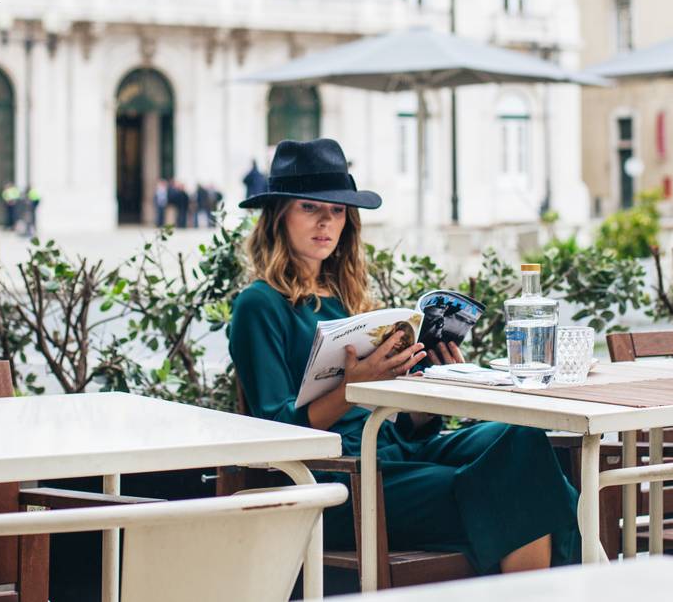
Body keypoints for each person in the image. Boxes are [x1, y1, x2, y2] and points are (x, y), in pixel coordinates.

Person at [227, 138, 579, 575]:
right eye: (309, 207)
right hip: (337, 477)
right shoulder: (259, 304)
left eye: (337, 211)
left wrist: (426, 376)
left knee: (521, 439)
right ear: (278, 216)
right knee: (523, 488)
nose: (326, 222)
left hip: (389, 451)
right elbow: (273, 431)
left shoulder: (343, 298)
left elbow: (403, 426)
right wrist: (355, 387)